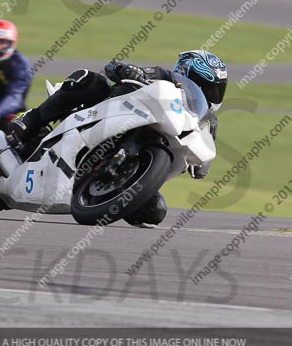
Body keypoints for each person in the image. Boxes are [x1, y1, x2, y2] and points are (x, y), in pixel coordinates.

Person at [12, 49, 228, 226]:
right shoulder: (164, 76)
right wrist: (128, 70)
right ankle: (31, 120)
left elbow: (206, 152)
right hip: (108, 114)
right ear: (186, 73)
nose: (211, 93)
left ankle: (112, 189)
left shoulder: (208, 120)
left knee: (155, 213)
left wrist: (201, 163)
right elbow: (113, 67)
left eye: (217, 89)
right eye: (206, 86)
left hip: (154, 149)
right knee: (89, 79)